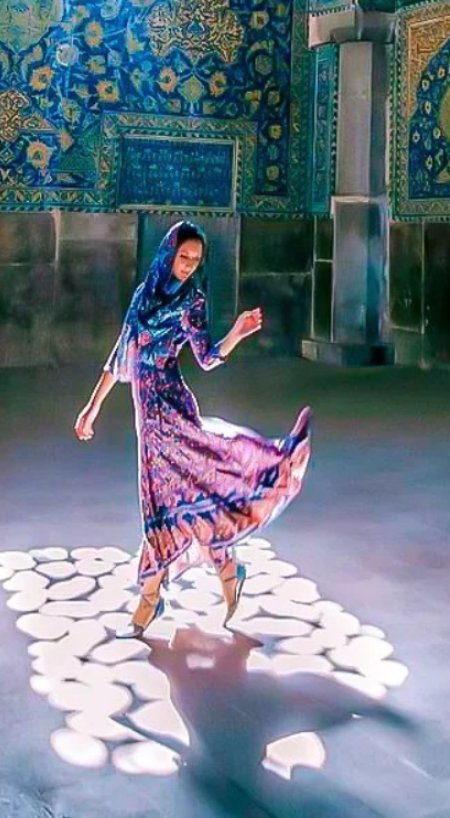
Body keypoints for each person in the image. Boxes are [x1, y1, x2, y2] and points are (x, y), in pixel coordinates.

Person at [74, 221, 311, 637]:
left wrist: (236, 333)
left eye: (196, 260)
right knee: (171, 501)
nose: (188, 266)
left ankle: (150, 599)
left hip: (173, 410)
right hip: (146, 420)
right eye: (183, 257)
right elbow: (121, 355)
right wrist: (92, 408)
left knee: (177, 500)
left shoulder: (192, 301)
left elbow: (206, 358)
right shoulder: (145, 294)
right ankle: (227, 570)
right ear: (169, 254)